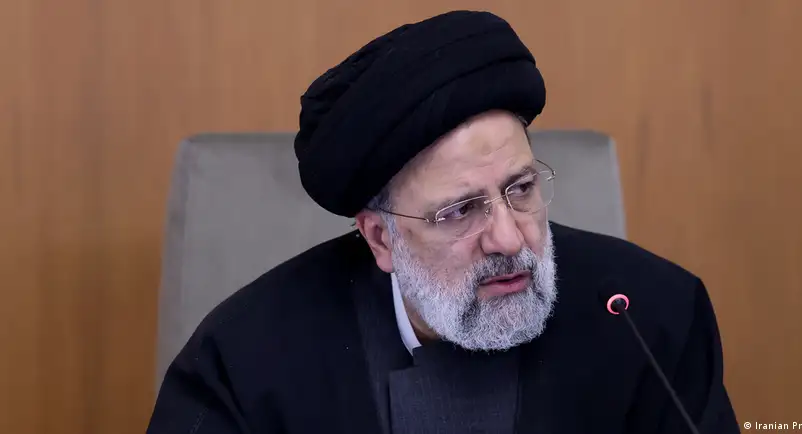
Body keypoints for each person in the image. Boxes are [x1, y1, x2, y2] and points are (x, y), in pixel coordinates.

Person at [147, 10, 739, 434]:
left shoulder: (654, 319)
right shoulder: (246, 363)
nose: (509, 237)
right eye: (459, 211)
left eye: (521, 189)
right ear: (380, 237)